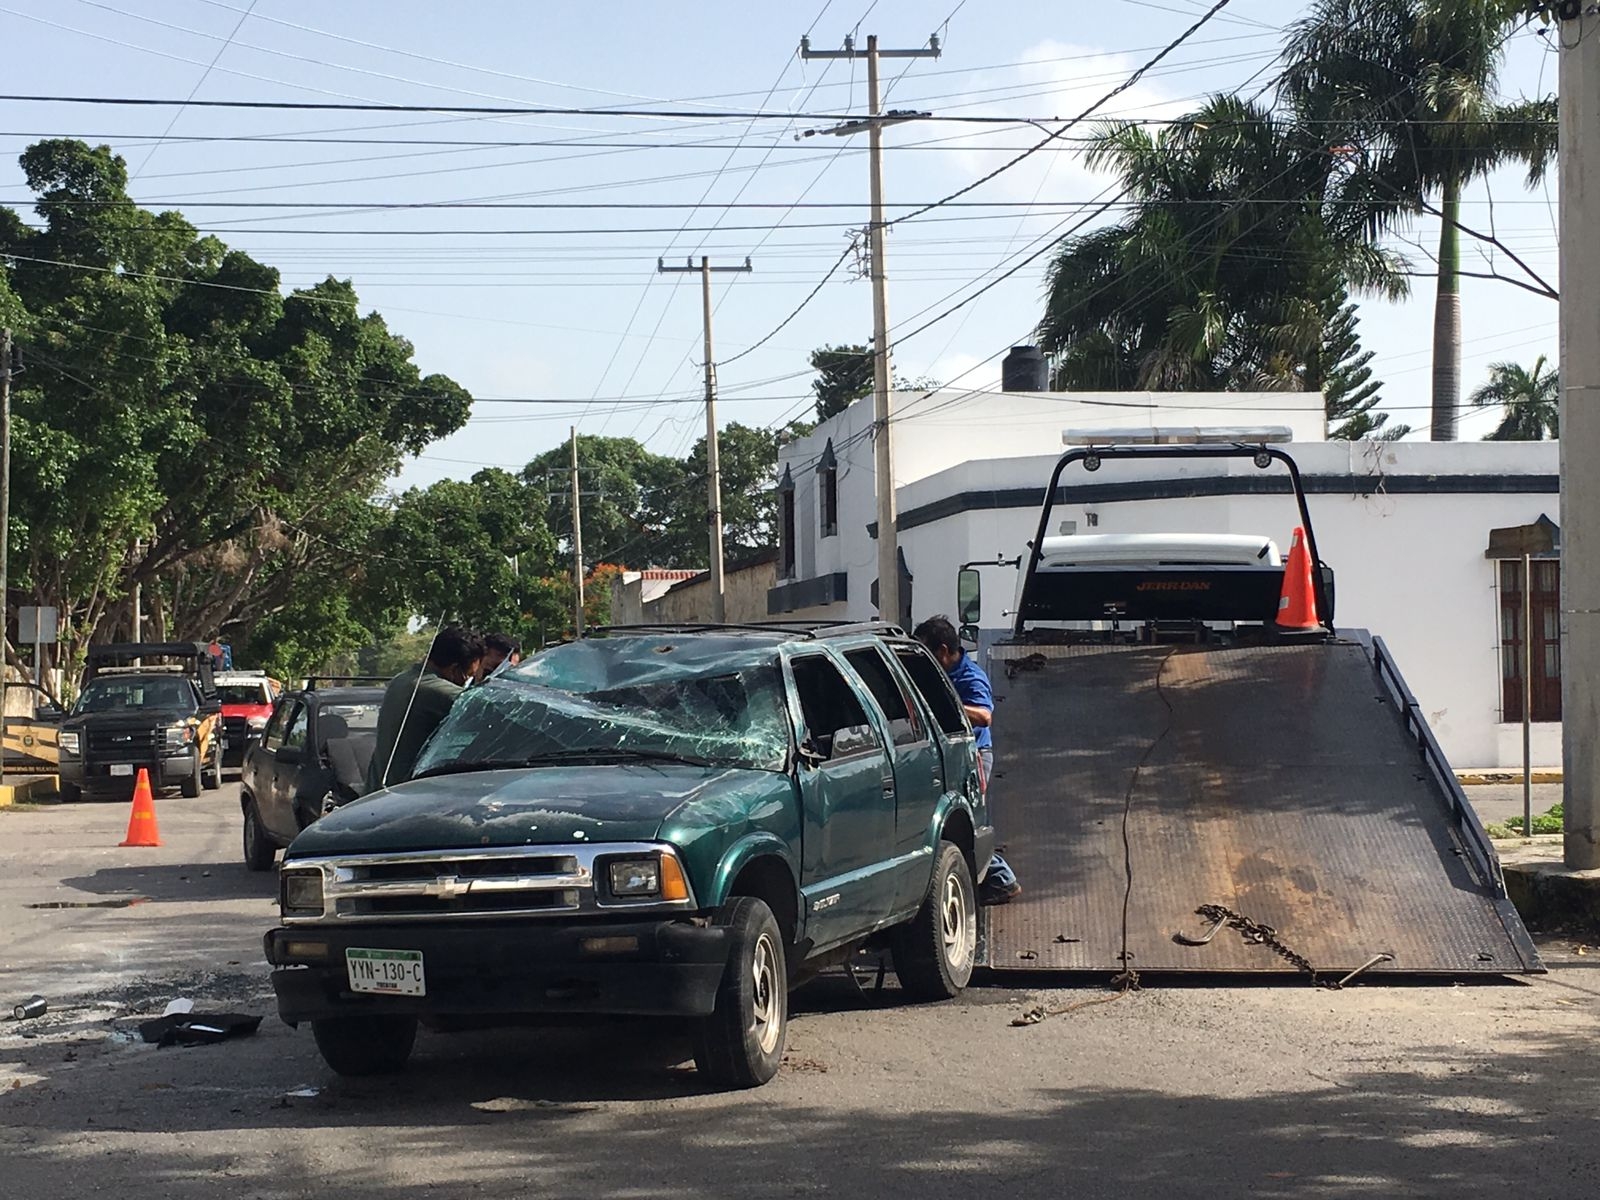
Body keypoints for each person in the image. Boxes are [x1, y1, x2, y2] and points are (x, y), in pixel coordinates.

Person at [913, 615, 1022, 906]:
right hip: (950, 756)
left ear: (945, 650)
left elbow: (985, 716)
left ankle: (1003, 881)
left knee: (969, 823)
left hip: (974, 759)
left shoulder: (970, 676)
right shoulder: (938, 675)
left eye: (930, 652)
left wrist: (949, 704)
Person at [365, 626, 484, 793]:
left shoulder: (401, 680)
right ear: (454, 669)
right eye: (468, 676)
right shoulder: (434, 690)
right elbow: (487, 708)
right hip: (405, 799)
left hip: (378, 794)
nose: (468, 681)